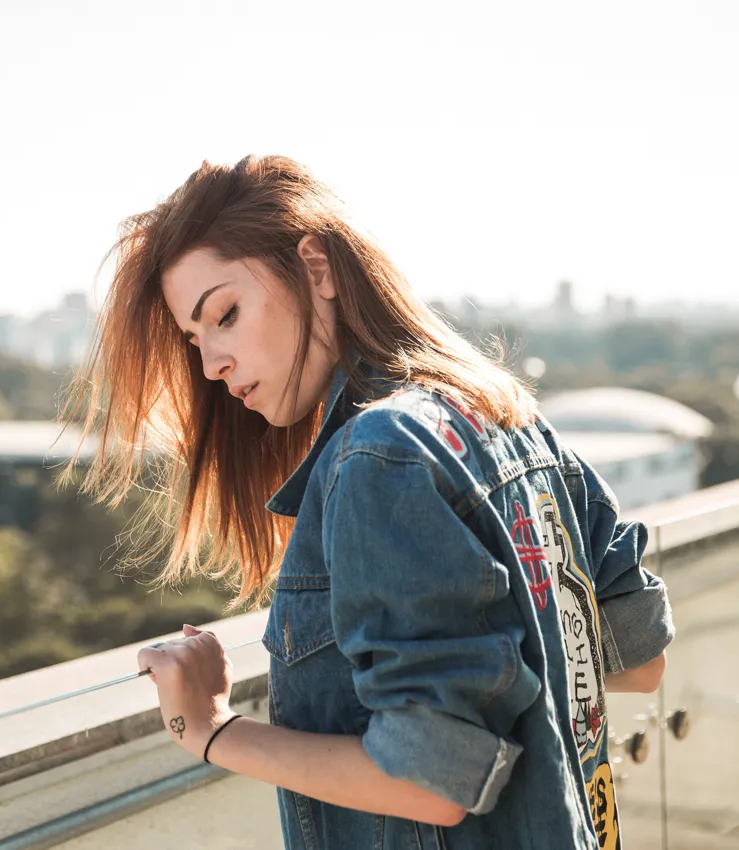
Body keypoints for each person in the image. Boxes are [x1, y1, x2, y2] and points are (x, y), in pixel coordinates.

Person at [65, 155, 675, 849]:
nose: (211, 365)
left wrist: (210, 730)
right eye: (195, 340)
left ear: (318, 268)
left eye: (225, 315)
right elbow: (639, 662)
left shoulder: (378, 456)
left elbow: (431, 784)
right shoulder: (509, 417)